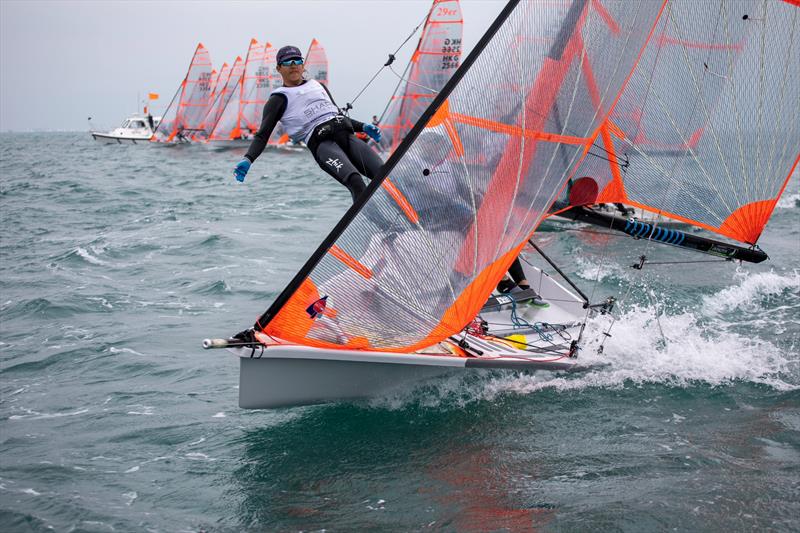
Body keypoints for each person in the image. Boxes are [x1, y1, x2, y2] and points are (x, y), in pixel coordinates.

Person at [232, 45, 383, 203]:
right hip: (323, 146)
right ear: (278, 68)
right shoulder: (278, 99)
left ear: (302, 65)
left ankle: (407, 219)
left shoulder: (318, 86)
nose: (293, 65)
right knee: (356, 182)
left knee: (383, 173)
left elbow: (336, 114)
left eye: (297, 60)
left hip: (347, 136)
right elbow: (262, 135)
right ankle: (380, 226)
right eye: (287, 62)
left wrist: (363, 126)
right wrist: (248, 159)